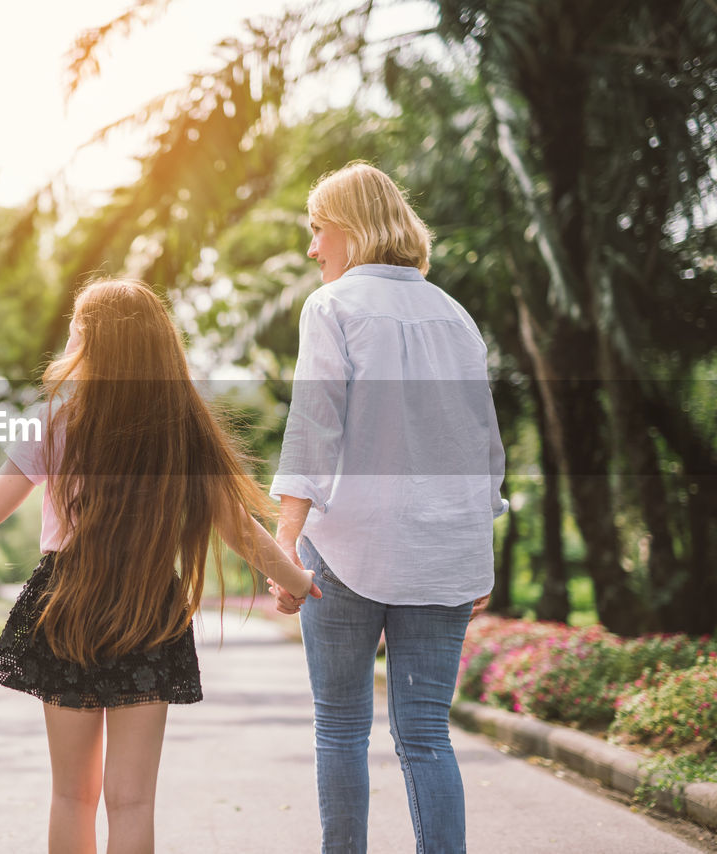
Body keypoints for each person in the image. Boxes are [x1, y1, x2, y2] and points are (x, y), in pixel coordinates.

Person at [0, 279, 320, 854]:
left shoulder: (56, 423)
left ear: (93, 340)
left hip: (67, 602)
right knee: (133, 801)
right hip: (150, 605)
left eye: (78, 322)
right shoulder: (182, 432)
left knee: (73, 796)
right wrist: (294, 580)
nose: (70, 331)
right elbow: (237, 526)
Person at [266, 161, 507, 853]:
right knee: (427, 735)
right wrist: (475, 555)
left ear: (350, 227)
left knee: (341, 727)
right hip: (445, 551)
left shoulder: (334, 304)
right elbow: (482, 447)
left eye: (317, 230)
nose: (313, 249)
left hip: (347, 549)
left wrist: (285, 545)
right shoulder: (454, 315)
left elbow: (314, 427)